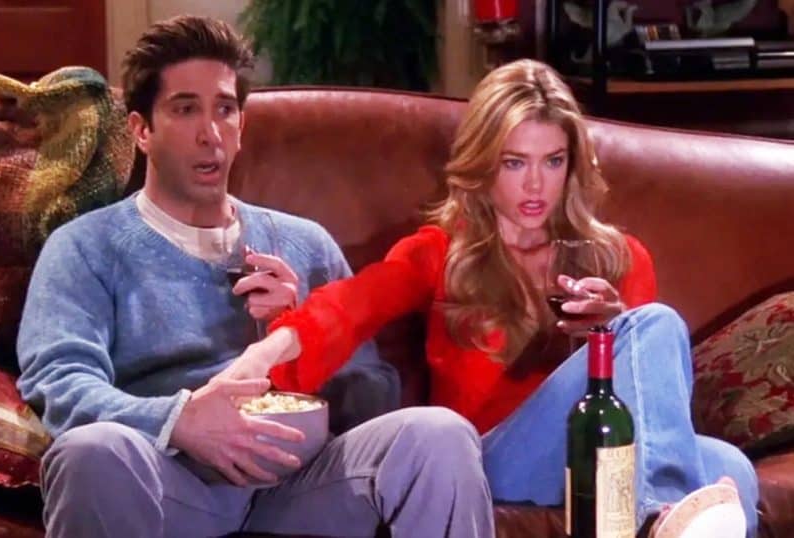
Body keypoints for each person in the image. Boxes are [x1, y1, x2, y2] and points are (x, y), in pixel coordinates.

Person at [222, 59, 760, 537]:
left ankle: (663, 515)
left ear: (573, 166)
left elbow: (649, 411)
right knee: (656, 324)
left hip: (592, 454)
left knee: (729, 467)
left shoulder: (620, 261)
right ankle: (658, 517)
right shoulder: (442, 252)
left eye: (553, 161)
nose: (536, 186)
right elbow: (350, 307)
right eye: (514, 162)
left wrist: (607, 334)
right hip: (492, 459)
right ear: (484, 164)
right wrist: (262, 357)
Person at [15, 15, 494, 538]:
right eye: (185, 109)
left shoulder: (307, 244)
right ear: (141, 131)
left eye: (224, 110)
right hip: (172, 481)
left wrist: (303, 335)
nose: (210, 134)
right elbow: (59, 384)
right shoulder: (85, 247)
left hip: (304, 484)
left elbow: (374, 397)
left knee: (439, 434)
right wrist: (179, 422)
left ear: (241, 126)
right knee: (90, 451)